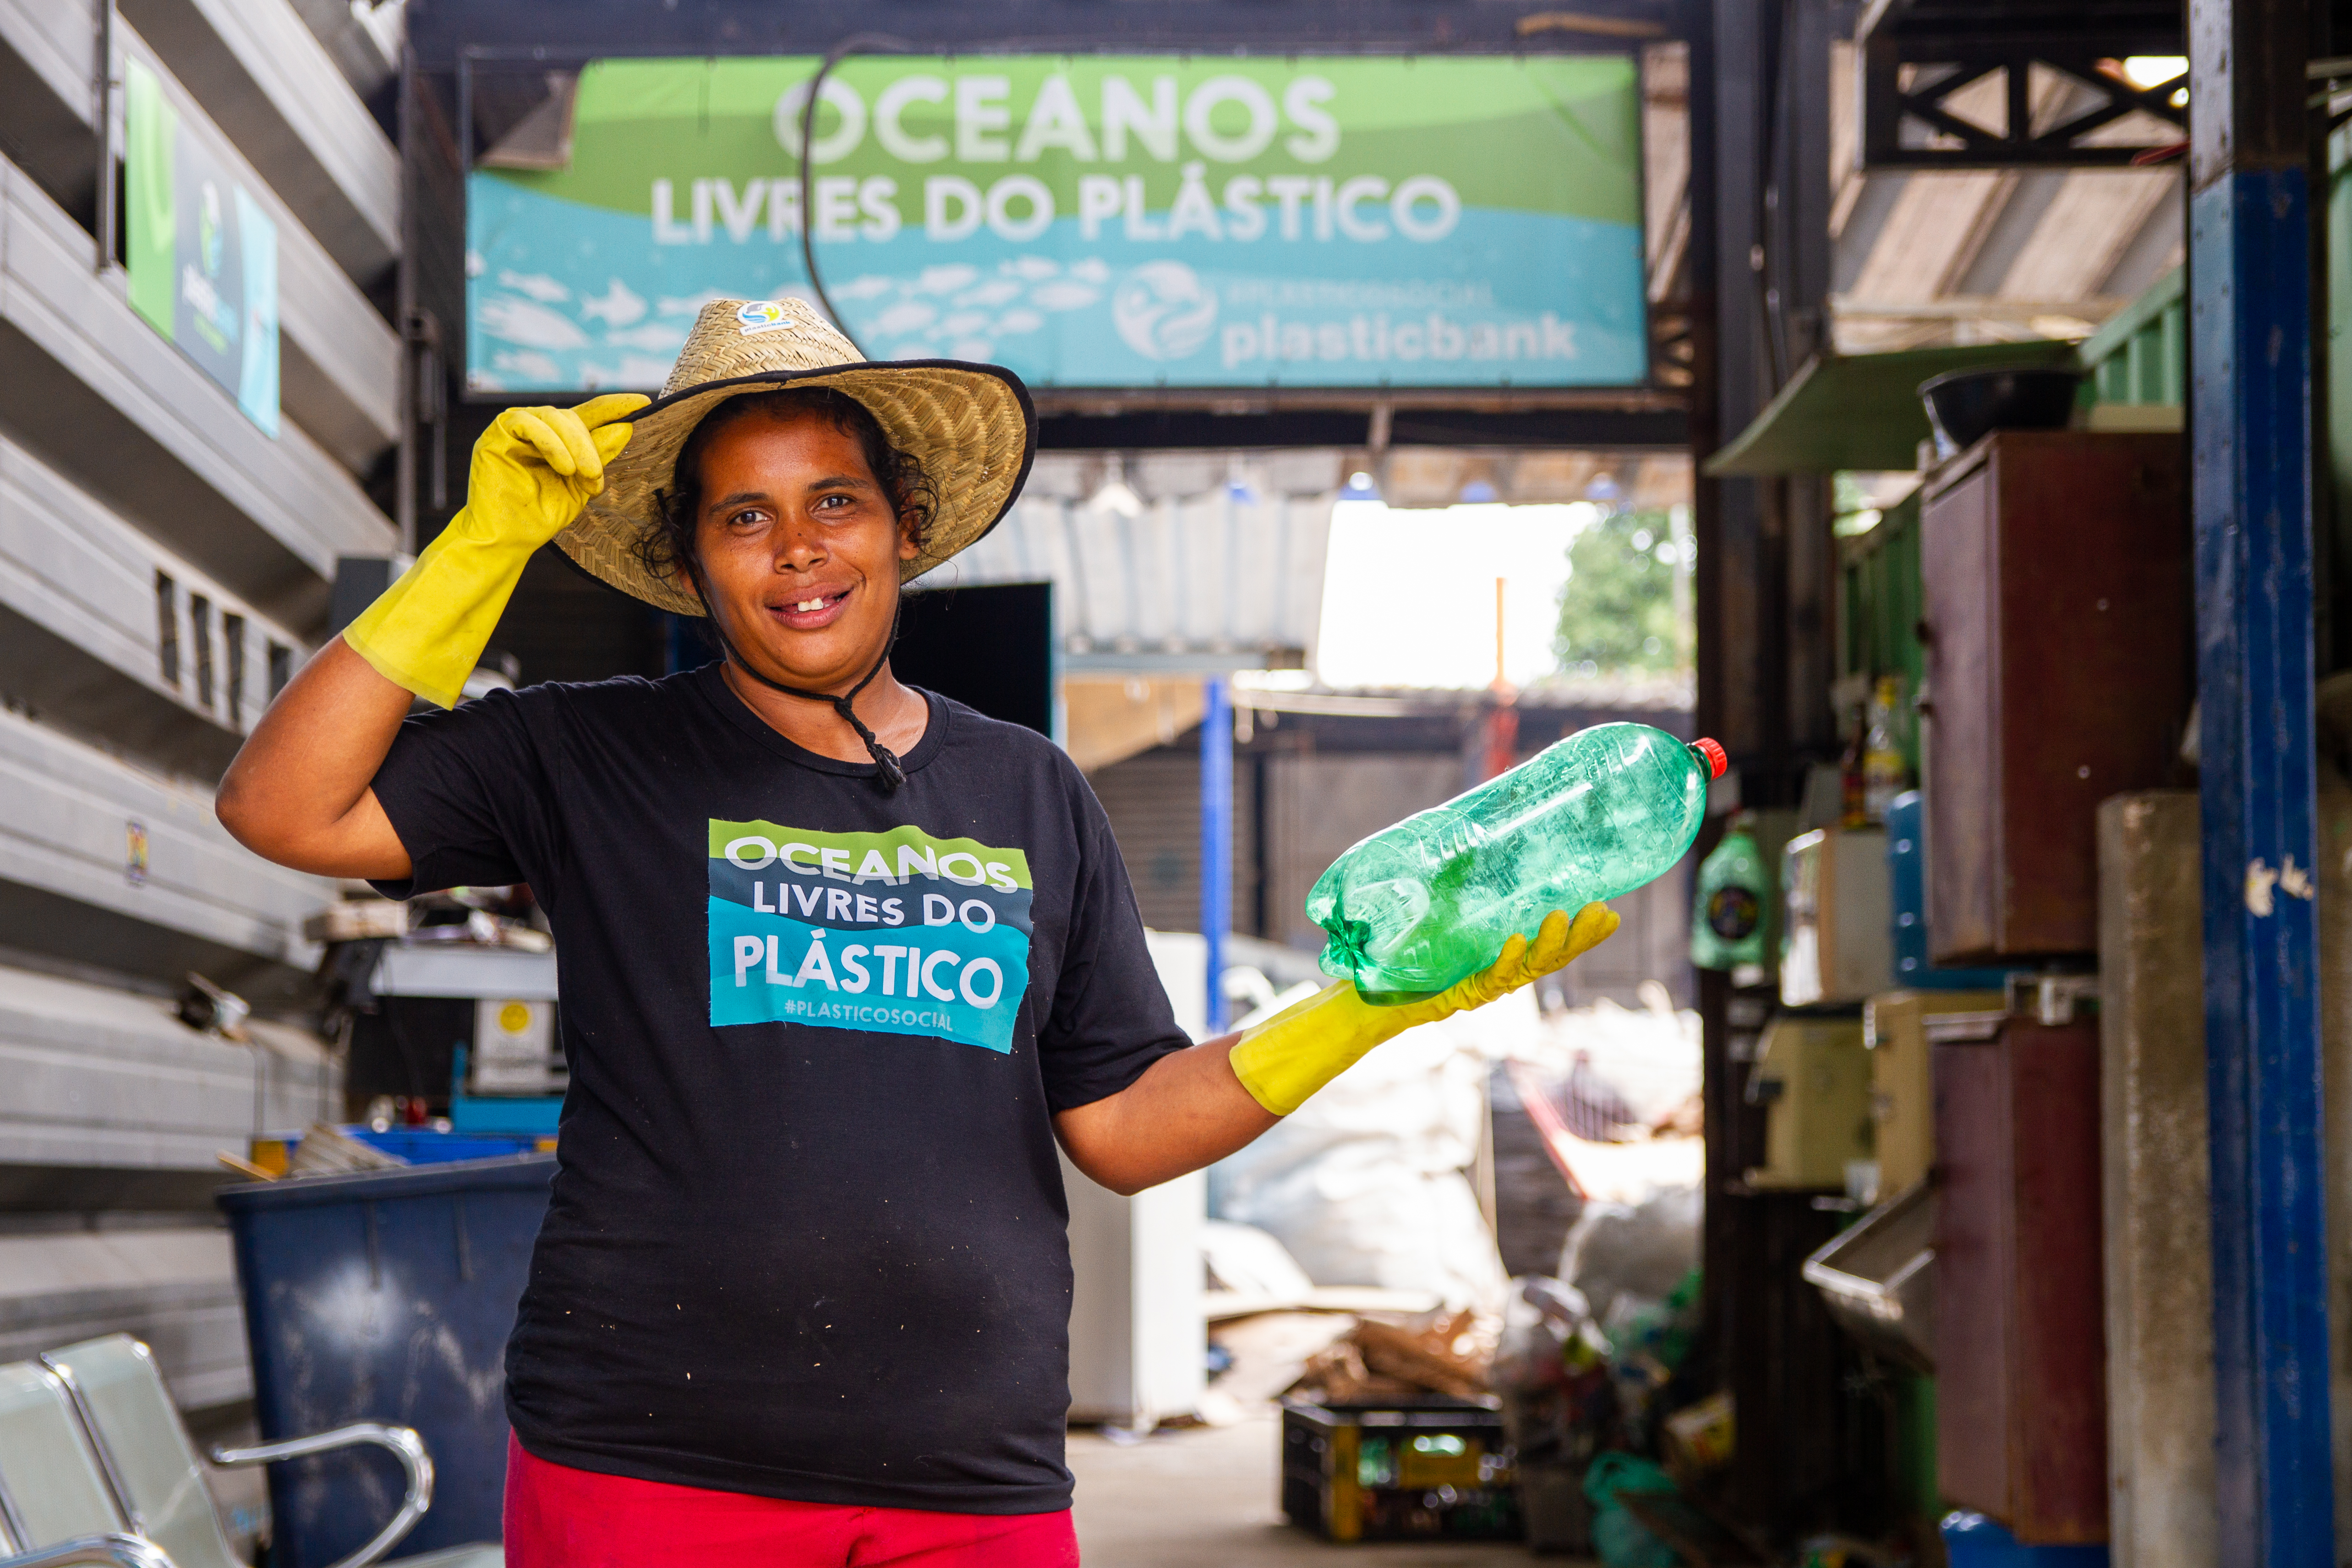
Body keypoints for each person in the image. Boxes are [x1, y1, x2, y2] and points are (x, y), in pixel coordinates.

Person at [217, 300, 1619, 1568]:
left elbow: (1124, 1125)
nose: (798, 549)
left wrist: (1373, 1006)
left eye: (834, 501)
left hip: (974, 1481)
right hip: (649, 1462)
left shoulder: (1030, 789)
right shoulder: (587, 753)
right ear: (690, 560)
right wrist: (481, 546)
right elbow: (284, 805)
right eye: (743, 517)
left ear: (902, 526)